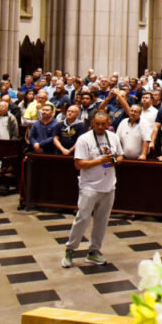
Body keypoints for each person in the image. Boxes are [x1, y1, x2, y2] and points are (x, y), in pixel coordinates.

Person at [62, 113, 123, 267]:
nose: (100, 127)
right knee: (82, 218)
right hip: (89, 186)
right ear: (92, 124)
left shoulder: (113, 137)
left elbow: (121, 156)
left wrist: (112, 160)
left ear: (108, 123)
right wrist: (99, 161)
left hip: (108, 186)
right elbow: (78, 164)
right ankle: (70, 250)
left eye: (103, 124)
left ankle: (94, 251)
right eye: (97, 124)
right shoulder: (84, 139)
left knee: (102, 221)